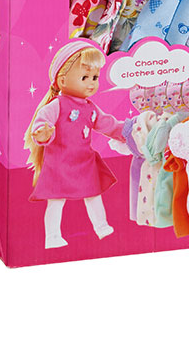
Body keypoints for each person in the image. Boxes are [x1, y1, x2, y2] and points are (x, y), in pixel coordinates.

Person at [24, 40, 124, 249]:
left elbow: (107, 124)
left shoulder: (90, 107)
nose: (91, 83)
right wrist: (43, 133)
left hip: (84, 161)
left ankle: (101, 226)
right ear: (62, 80)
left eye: (94, 77)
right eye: (84, 77)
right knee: (56, 200)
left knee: (93, 194)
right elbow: (41, 124)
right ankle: (52, 236)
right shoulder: (56, 105)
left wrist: (128, 131)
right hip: (59, 163)